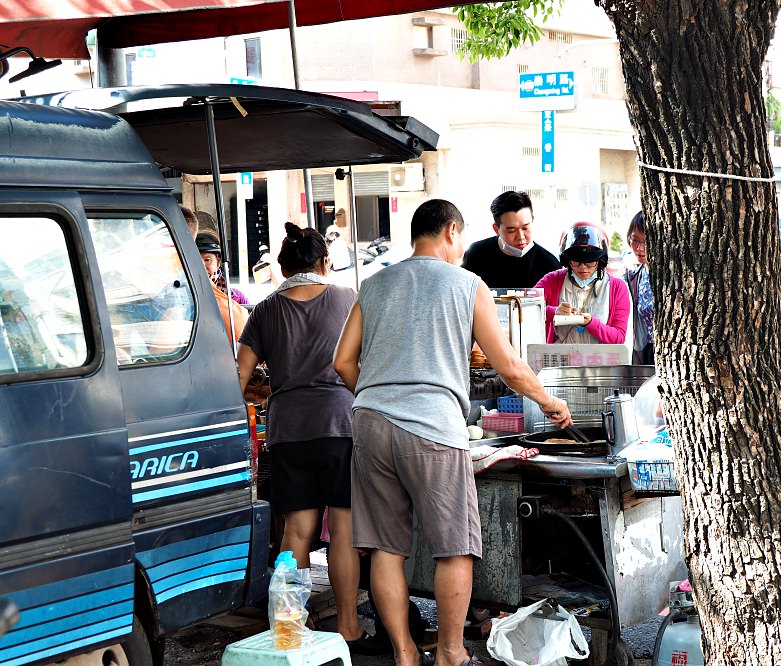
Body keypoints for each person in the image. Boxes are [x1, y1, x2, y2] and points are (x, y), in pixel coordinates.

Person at [334, 199, 572, 666]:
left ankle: (404, 655)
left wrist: (379, 395)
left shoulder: (375, 283)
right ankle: (450, 653)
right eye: (459, 238)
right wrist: (550, 402)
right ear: (450, 231)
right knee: (454, 547)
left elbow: (342, 362)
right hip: (432, 426)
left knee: (386, 547)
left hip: (370, 421)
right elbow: (507, 365)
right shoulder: (468, 284)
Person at [236, 223, 372, 651]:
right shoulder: (348, 299)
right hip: (339, 424)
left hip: (288, 429)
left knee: (297, 530)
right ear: (324, 263)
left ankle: (292, 626)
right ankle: (348, 626)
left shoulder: (264, 309)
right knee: (344, 528)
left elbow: (238, 376)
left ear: (282, 267)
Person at [534, 222, 632, 352]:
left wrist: (591, 323)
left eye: (590, 262)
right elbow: (528, 309)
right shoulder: (552, 280)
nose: (582, 267)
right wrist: (554, 311)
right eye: (576, 261)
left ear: (600, 260)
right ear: (567, 260)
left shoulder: (617, 287)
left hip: (599, 363)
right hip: (561, 360)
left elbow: (618, 337)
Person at [461, 190, 560, 289]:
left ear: (532, 220)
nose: (521, 237)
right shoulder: (475, 255)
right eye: (511, 230)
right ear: (496, 229)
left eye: (525, 227)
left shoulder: (550, 265)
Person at [623, 211, 654, 364]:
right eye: (635, 240)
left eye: (647, 241)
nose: (640, 248)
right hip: (647, 354)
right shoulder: (634, 277)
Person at [196, 231, 250, 305]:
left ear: (218, 261)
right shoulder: (181, 295)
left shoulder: (238, 299)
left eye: (207, 260)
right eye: (195, 260)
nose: (201, 267)